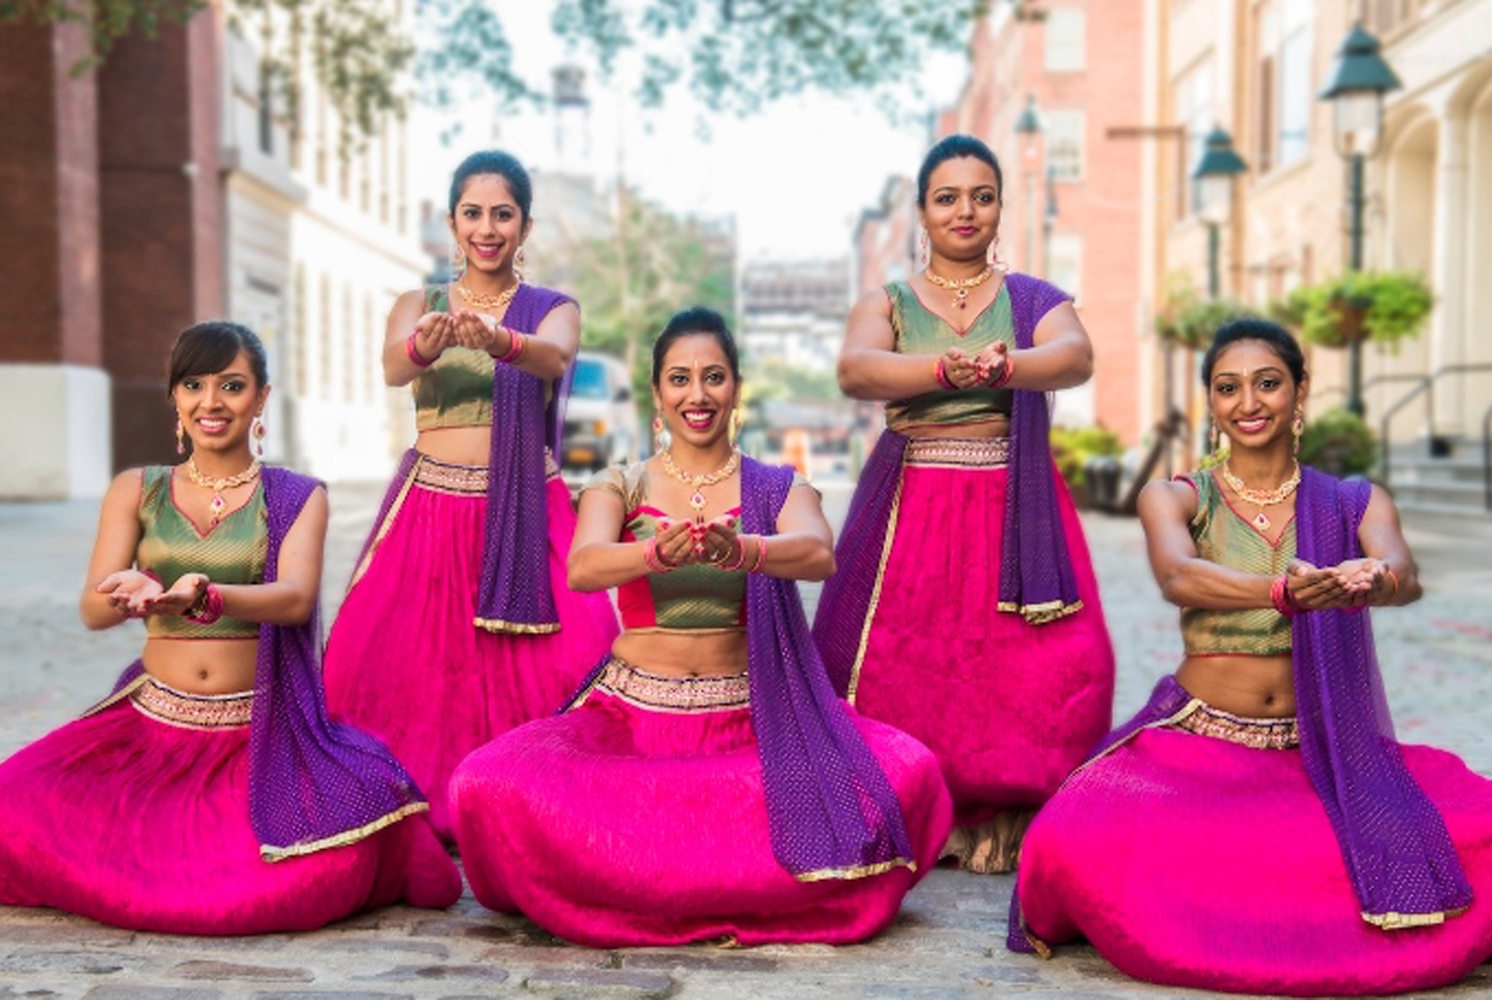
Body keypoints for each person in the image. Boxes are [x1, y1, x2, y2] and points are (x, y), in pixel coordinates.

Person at [1010, 319, 1492, 994]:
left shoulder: (1353, 501)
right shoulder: (1179, 496)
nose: (1250, 403)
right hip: (1198, 740)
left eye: (1269, 384)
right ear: (1211, 402)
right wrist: (1280, 592)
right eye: (1228, 388)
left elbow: (1402, 573)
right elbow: (1177, 576)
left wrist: (1374, 579)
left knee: (1475, 819)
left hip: (1317, 747)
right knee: (1073, 833)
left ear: (1300, 394)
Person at [449, 308, 952, 947]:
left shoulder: (774, 486)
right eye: (680, 378)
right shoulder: (622, 483)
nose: (698, 394)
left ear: (735, 388)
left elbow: (818, 553)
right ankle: (698, 876)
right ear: (658, 394)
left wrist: (743, 550)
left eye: (713, 377)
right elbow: (583, 566)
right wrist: (656, 554)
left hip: (750, 717)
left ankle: (647, 879)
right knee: (486, 784)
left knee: (912, 770)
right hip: (630, 721)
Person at [0, 322, 460, 934]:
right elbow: (92, 608)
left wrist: (205, 596)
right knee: (8, 804)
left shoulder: (294, 496)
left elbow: (293, 600)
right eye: (193, 385)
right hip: (152, 731)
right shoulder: (138, 490)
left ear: (261, 398)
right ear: (175, 398)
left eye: (231, 386)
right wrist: (134, 596)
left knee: (301, 866)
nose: (210, 402)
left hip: (256, 733)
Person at [813, 134, 1114, 873]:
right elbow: (857, 368)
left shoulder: (1031, 300)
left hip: (1015, 508)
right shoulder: (888, 302)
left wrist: (1008, 364)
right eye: (947, 197)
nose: (965, 210)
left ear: (999, 207)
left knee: (1040, 664)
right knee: (904, 661)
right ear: (923, 211)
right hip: (912, 505)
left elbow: (1074, 355)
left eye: (981, 195)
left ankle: (1005, 812)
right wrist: (942, 370)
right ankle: (911, 803)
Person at [324, 150, 618, 840]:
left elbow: (553, 357)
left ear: (525, 225)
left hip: (523, 508)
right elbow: (395, 367)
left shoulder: (552, 308)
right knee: (401, 665)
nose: (487, 229)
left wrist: (500, 338)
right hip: (427, 506)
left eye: (503, 215)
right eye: (473, 214)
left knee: (565, 655)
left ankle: (527, 803)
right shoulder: (417, 304)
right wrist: (428, 344)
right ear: (453, 223)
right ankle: (420, 799)